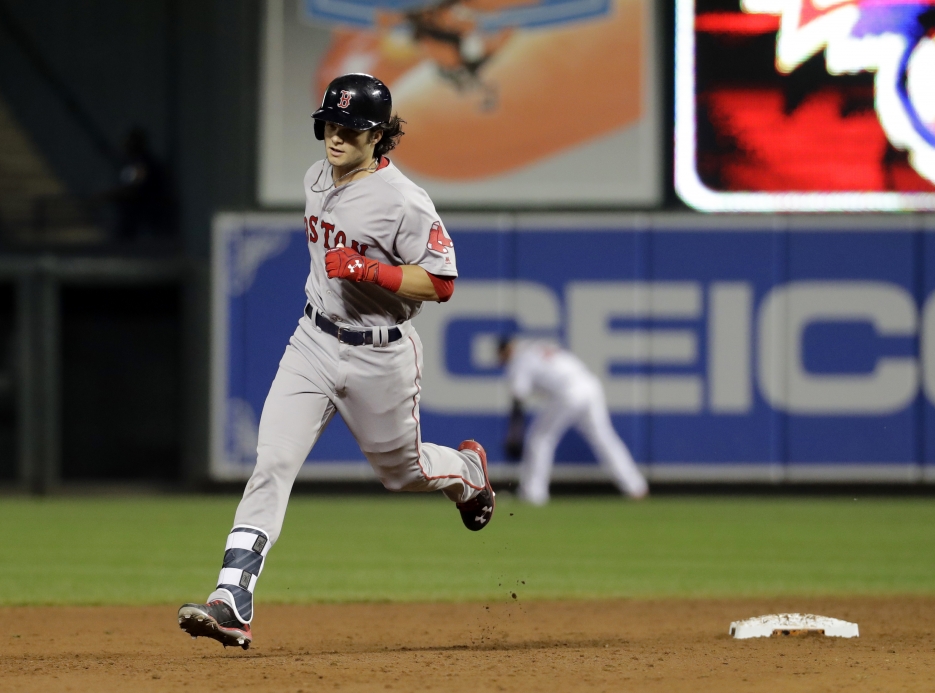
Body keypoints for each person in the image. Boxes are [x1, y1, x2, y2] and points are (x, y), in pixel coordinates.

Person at [177, 73, 494, 650]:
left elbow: (443, 283)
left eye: (351, 129)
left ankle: (467, 474)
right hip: (313, 342)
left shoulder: (405, 200)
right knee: (272, 461)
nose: (336, 137)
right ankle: (232, 596)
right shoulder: (315, 176)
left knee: (405, 473)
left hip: (381, 354)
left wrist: (371, 270)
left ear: (379, 137)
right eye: (330, 124)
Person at [499, 336, 648, 505]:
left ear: (507, 350)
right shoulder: (538, 346)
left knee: (540, 438)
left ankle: (533, 493)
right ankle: (636, 487)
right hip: (589, 386)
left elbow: (518, 398)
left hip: (568, 393)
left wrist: (514, 434)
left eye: (501, 354)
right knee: (604, 438)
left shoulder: (520, 359)